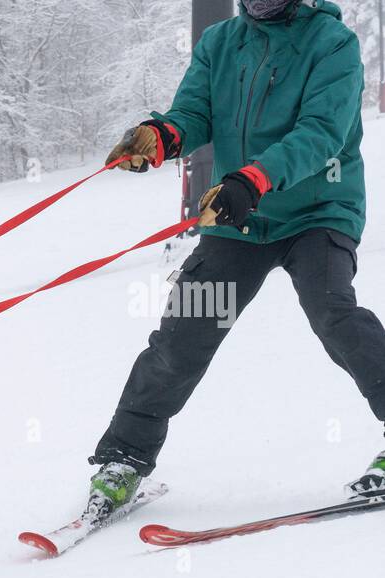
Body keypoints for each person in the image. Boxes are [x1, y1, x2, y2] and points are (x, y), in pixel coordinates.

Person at [86, 0, 385, 518]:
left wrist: (254, 178)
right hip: (241, 218)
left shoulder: (333, 44)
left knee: (333, 312)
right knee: (184, 333)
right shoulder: (220, 42)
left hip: (318, 210)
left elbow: (320, 132)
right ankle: (123, 461)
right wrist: (162, 136)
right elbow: (195, 113)